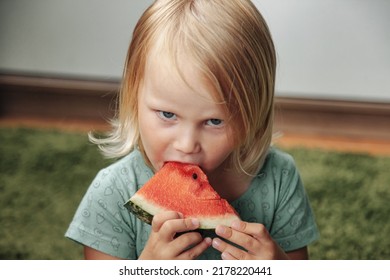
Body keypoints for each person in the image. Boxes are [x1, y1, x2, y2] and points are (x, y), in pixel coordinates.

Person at [65, 0, 319, 260]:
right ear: (133, 98)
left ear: (254, 113)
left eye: (214, 121)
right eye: (167, 114)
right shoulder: (112, 192)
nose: (186, 144)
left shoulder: (279, 178)